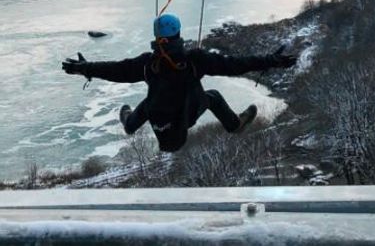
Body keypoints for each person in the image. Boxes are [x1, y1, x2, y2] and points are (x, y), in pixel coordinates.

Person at [61, 13, 296, 152]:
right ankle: (235, 125)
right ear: (178, 35)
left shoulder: (148, 63)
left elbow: (117, 70)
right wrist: (271, 60)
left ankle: (130, 124)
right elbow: (234, 65)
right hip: (184, 119)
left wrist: (85, 68)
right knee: (212, 97)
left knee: (152, 100)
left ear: (157, 37)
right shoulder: (194, 60)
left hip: (160, 122)